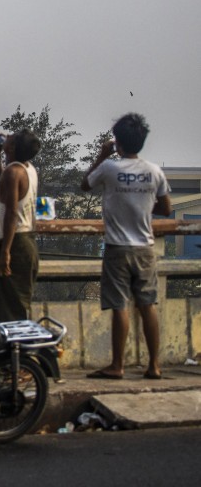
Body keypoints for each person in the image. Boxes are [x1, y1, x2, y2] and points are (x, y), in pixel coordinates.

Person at [81, 113, 172, 380]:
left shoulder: (110, 168)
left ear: (117, 142)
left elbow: (85, 184)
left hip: (117, 248)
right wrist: (141, 203)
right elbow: (166, 209)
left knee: (119, 306)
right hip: (145, 248)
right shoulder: (154, 171)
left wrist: (102, 155)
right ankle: (154, 365)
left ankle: (117, 366)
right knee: (148, 305)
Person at [0, 128, 42, 322]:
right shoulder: (27, 169)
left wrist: (5, 251)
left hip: (16, 243)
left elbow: (11, 213)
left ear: (11, 148)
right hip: (26, 241)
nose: (8, 135)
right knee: (13, 303)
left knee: (8, 308)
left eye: (11, 138)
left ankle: (13, 341)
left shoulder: (13, 172)